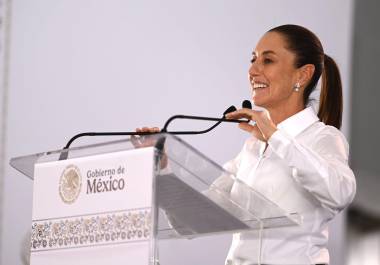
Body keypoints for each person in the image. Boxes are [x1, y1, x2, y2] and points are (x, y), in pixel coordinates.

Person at [136, 24, 356, 265]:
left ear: (302, 75)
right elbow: (193, 222)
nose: (252, 70)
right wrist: (162, 169)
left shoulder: (322, 138)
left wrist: (275, 136)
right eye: (253, 59)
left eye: (268, 60)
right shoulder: (251, 149)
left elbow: (340, 193)